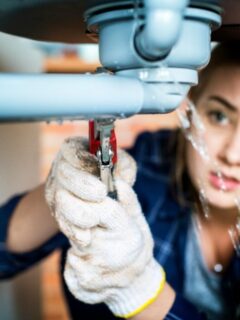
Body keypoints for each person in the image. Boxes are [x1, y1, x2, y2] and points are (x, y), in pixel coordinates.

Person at [0, 43, 240, 320]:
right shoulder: (149, 166)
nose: (232, 154)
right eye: (219, 116)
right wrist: (58, 195)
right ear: (191, 111)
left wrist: (143, 293)